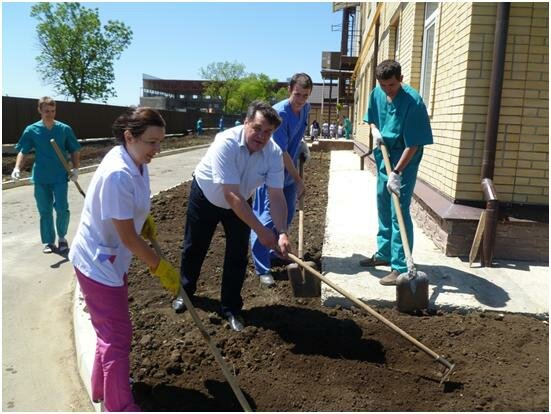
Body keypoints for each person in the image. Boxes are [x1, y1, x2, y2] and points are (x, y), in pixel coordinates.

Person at [68, 107, 180, 411]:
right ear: (129, 136)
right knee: (117, 336)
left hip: (112, 261)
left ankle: (101, 387)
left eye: (161, 142)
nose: (157, 150)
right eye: (152, 142)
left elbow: (132, 211)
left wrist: (142, 218)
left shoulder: (135, 159)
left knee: (110, 331)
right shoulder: (118, 173)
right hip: (97, 263)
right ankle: (119, 406)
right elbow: (129, 238)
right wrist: (160, 267)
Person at [172, 100, 291, 332]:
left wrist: (282, 231)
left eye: (268, 132)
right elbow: (230, 194)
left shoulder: (274, 153)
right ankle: (185, 293)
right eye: (257, 128)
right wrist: (262, 231)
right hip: (206, 196)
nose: (261, 136)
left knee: (237, 255)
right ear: (246, 122)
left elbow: (276, 195)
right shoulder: (225, 142)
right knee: (194, 246)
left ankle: (231, 308)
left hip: (240, 201)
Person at [361, 59, 433, 285]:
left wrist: (397, 172)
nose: (387, 90)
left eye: (391, 85)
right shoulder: (376, 92)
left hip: (405, 158)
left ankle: (401, 266)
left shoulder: (414, 102)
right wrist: (375, 132)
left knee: (398, 210)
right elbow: (372, 119)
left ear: (400, 79)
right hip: (384, 154)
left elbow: (414, 145)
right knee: (383, 203)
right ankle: (384, 253)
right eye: (383, 86)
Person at [250, 73, 313, 287]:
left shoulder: (305, 108)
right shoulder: (279, 113)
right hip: (272, 172)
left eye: (305, 95)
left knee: (285, 216)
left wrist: (302, 146)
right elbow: (281, 151)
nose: (301, 99)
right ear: (289, 90)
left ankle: (276, 251)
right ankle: (262, 267)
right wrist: (298, 179)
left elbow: (297, 136)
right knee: (267, 219)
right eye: (297, 94)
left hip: (288, 173)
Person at [11, 96, 81, 254]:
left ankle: (62, 238)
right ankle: (49, 242)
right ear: (39, 110)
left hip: (60, 176)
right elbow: (23, 151)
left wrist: (76, 169)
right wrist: (17, 168)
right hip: (41, 177)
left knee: (62, 208)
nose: (50, 114)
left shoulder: (64, 129)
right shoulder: (32, 130)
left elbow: (74, 149)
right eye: (47, 111)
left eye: (53, 111)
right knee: (45, 210)